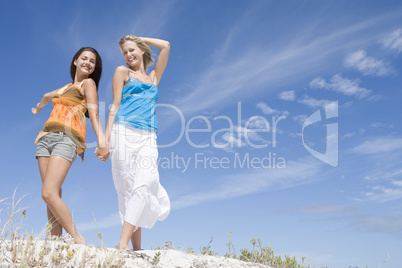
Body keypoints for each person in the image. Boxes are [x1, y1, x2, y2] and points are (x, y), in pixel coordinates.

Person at [32, 47, 109, 245]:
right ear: (75, 61)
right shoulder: (64, 88)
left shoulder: (88, 84)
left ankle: (77, 238)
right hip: (45, 138)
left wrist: (102, 143)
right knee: (52, 194)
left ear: (93, 68)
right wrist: (38, 107)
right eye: (84, 58)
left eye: (92, 61)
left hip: (66, 139)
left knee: (48, 192)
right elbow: (47, 96)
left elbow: (94, 114)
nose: (88, 63)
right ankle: (55, 241)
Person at [101, 35, 170, 251]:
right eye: (125, 52)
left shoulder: (153, 78)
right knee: (128, 190)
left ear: (142, 50)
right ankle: (135, 249)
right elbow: (115, 105)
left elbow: (166, 46)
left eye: (132, 50)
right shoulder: (123, 72)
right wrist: (104, 140)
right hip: (122, 132)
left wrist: (139, 38)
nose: (128, 55)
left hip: (149, 136)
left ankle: (122, 244)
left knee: (145, 182)